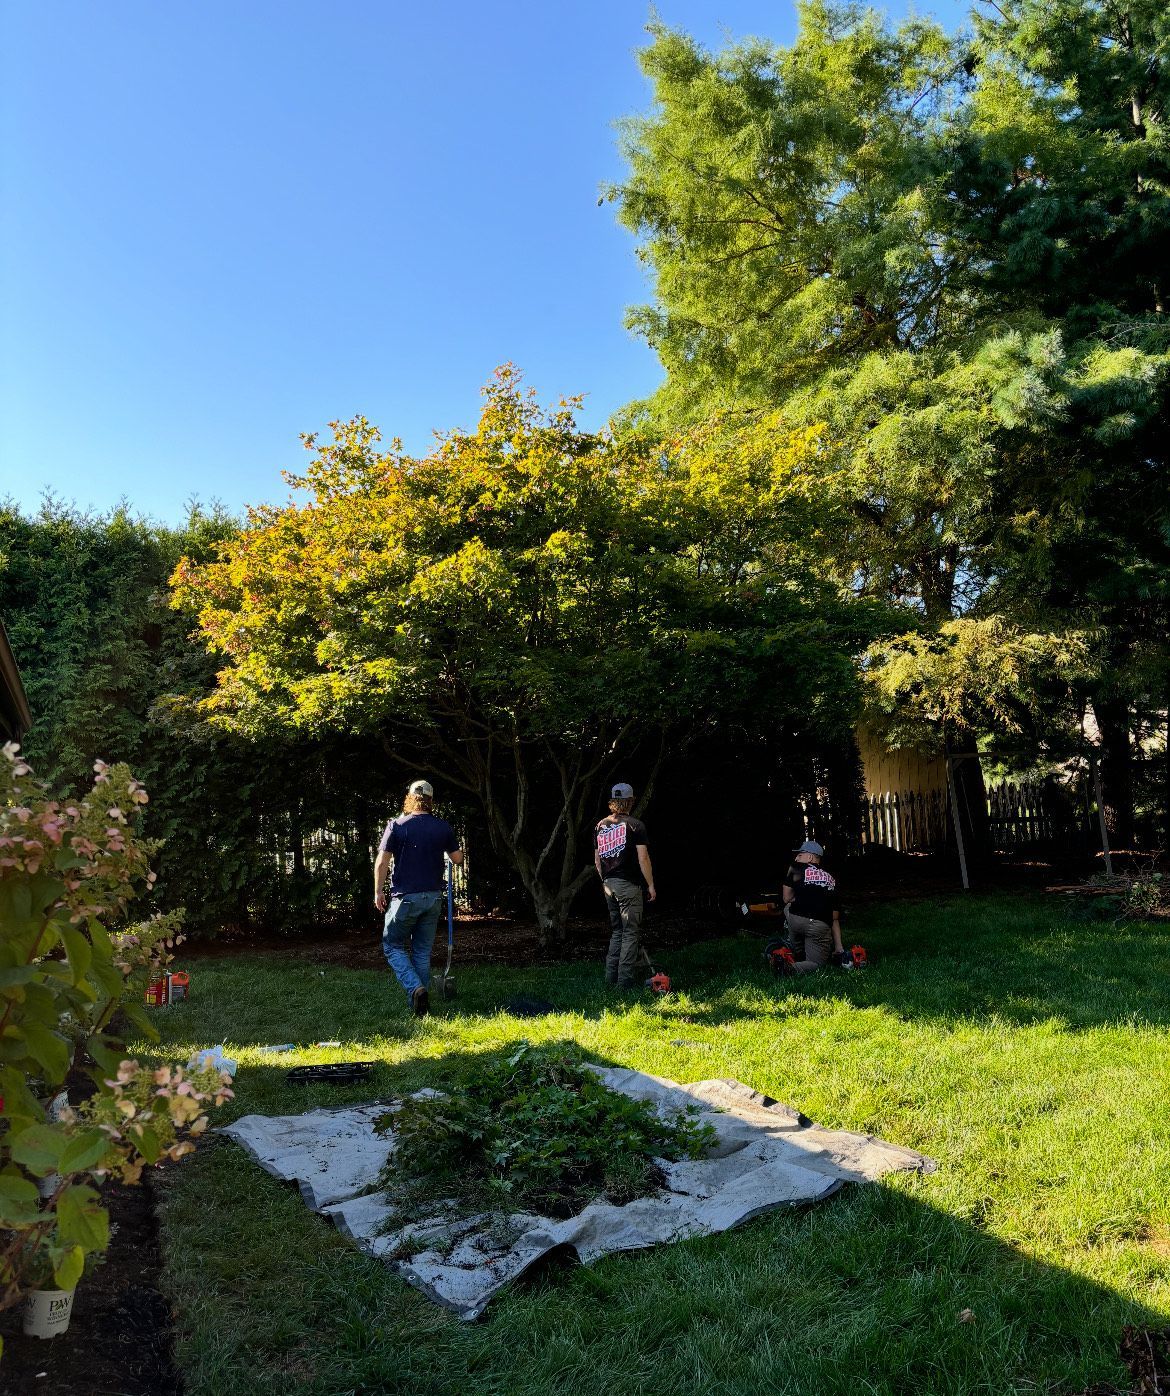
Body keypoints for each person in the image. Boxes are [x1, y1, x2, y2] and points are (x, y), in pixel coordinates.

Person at [374, 779, 464, 1016]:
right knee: (421, 952)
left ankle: (416, 989)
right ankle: (420, 1005)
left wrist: (378, 891)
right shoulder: (442, 827)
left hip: (405, 899)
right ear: (431, 801)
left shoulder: (397, 826)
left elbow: (382, 862)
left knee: (392, 945)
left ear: (410, 798)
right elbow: (457, 859)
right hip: (433, 898)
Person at [595, 781, 656, 989]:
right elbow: (643, 858)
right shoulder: (636, 825)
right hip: (628, 885)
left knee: (617, 931)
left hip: (608, 885)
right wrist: (650, 885)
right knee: (630, 932)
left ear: (613, 802)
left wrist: (605, 880)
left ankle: (610, 979)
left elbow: (597, 859)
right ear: (630, 801)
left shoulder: (600, 825)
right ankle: (624, 983)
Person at [778, 839, 844, 975]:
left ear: (810, 857)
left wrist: (803, 897)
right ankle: (794, 966)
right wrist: (839, 947)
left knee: (788, 907)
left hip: (796, 919)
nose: (796, 858)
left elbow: (786, 898)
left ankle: (792, 952)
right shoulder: (832, 878)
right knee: (816, 964)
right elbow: (835, 917)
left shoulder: (795, 868)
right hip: (819, 924)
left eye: (800, 855)